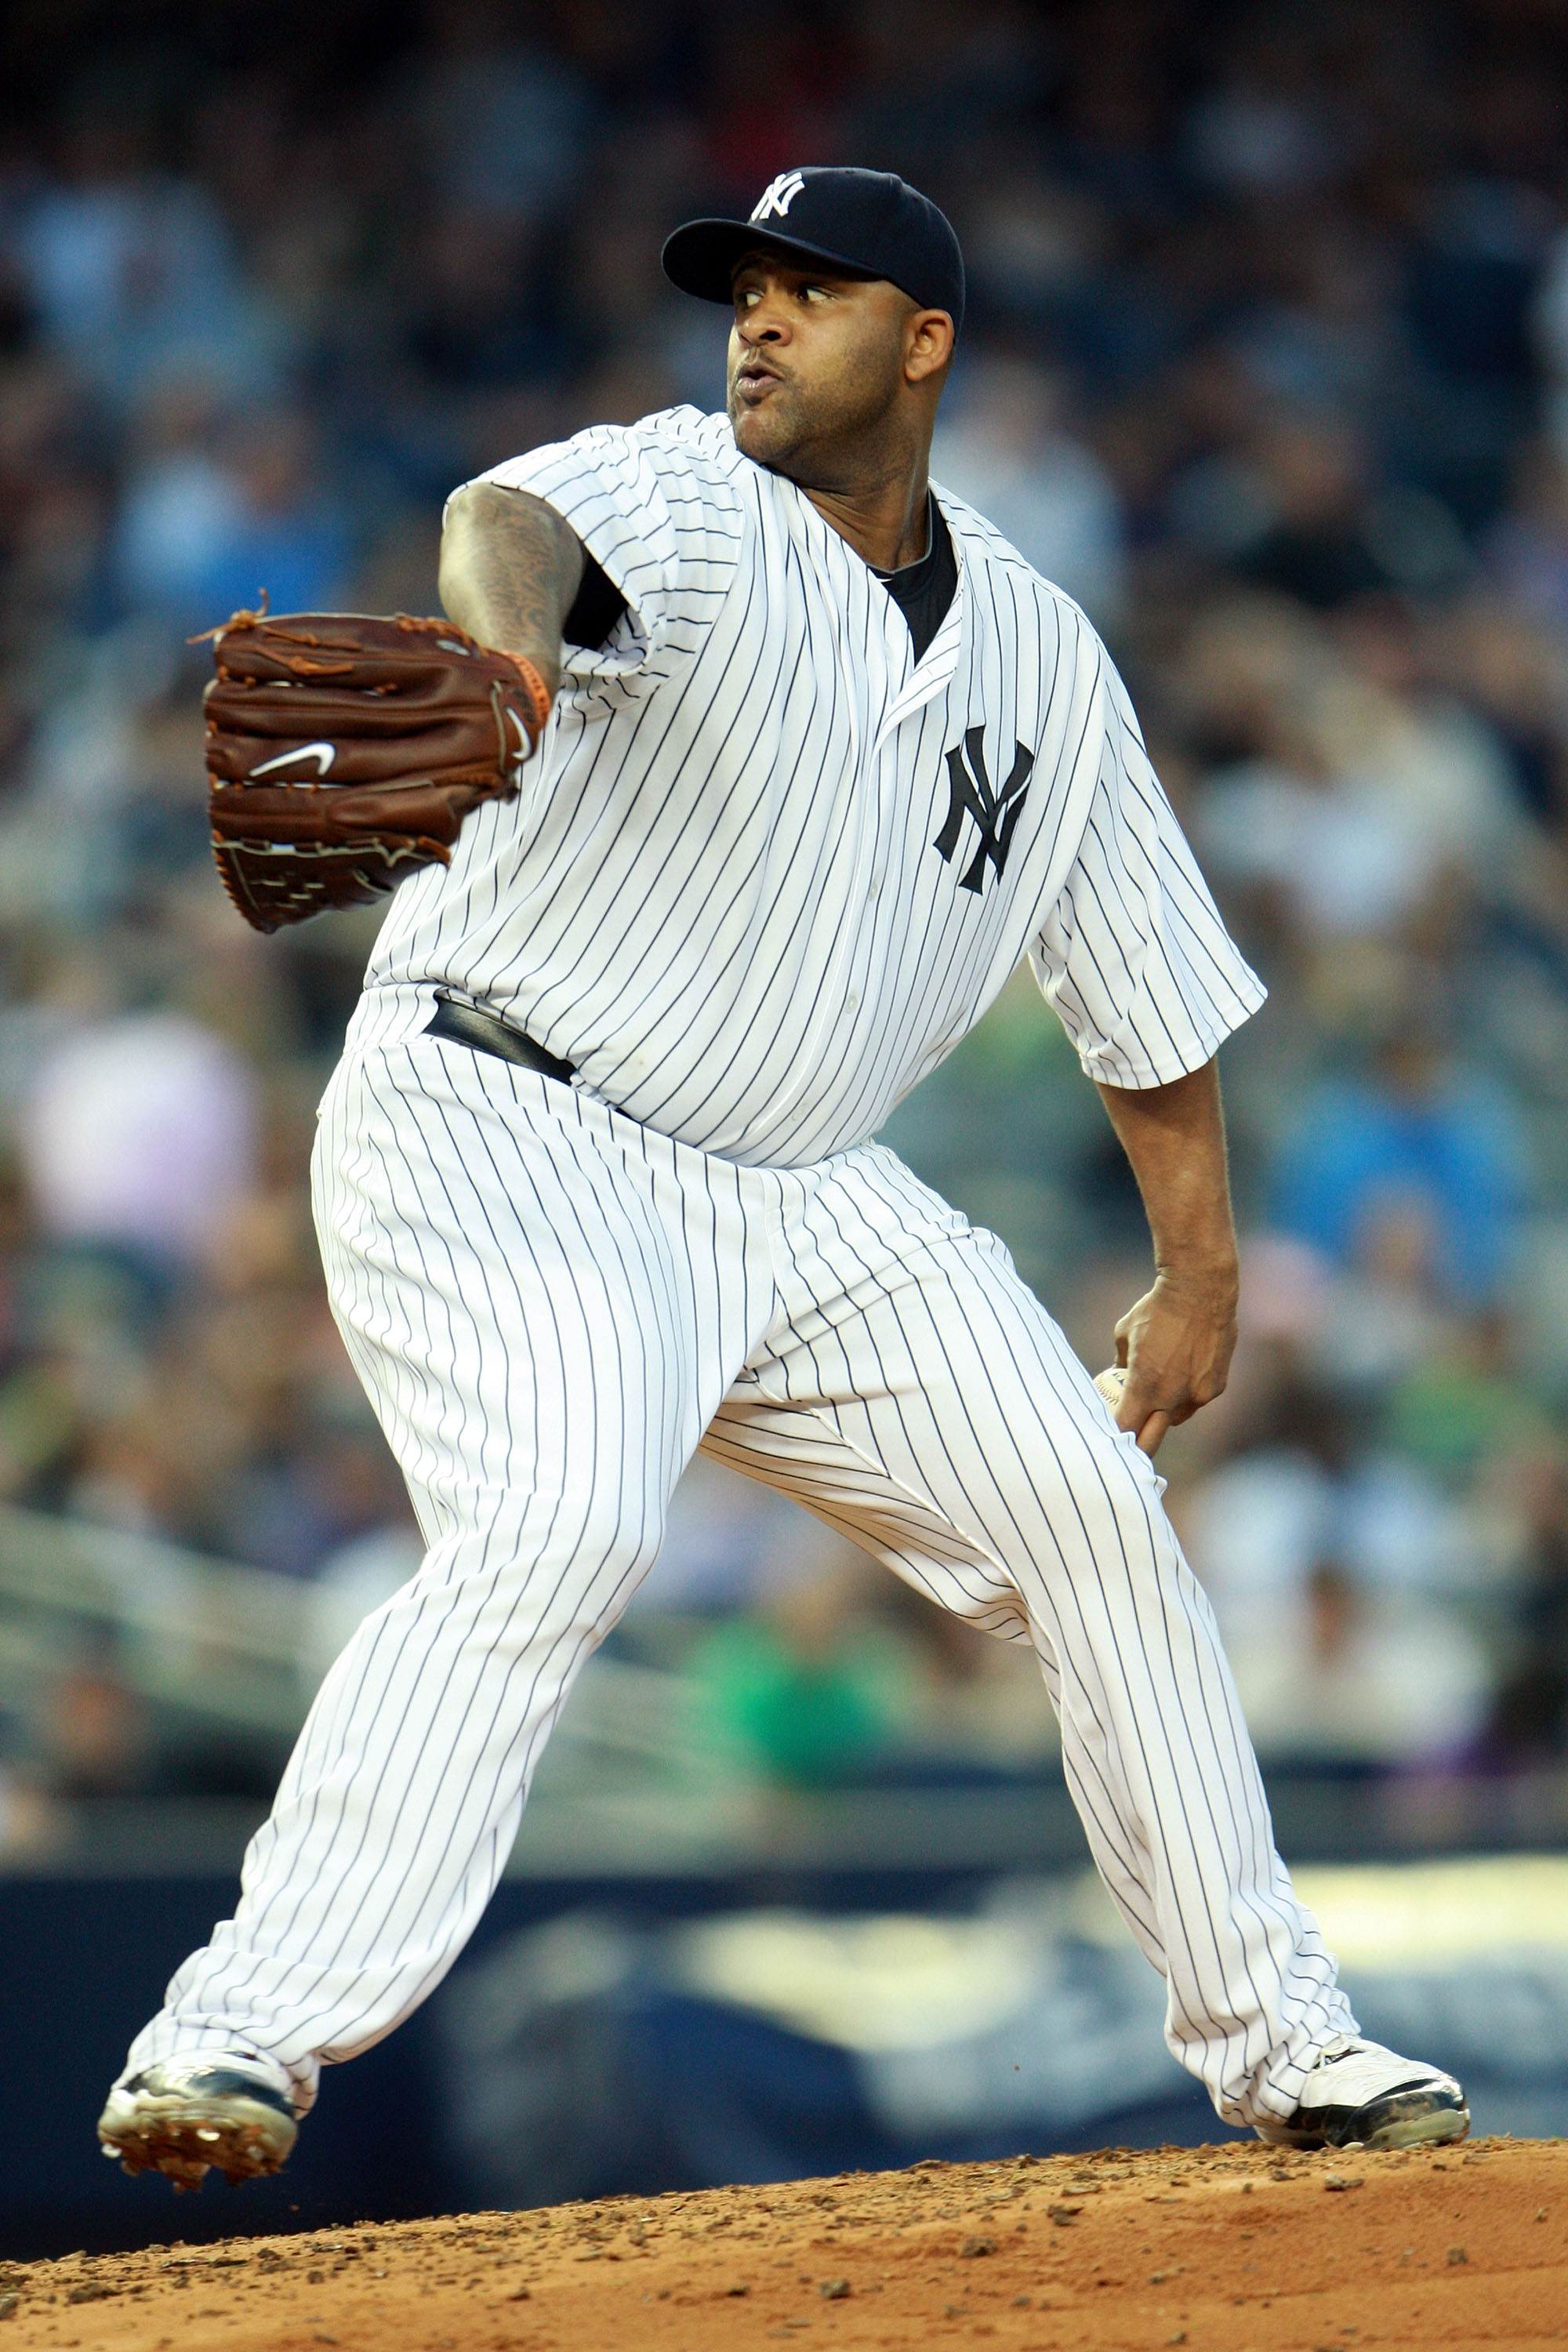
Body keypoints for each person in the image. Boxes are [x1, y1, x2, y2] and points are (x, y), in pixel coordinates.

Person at [99, 169, 1468, 2190]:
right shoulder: (689, 499)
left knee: (1096, 1517)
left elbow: (1146, 995)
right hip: (510, 1112)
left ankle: (1290, 2047)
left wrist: (1200, 1273)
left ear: (922, 341)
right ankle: (238, 2033)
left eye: (809, 291)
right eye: (741, 289)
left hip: (810, 1187)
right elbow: (508, 522)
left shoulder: (1044, 655)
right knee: (558, 1522)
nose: (754, 321)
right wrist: (511, 665)